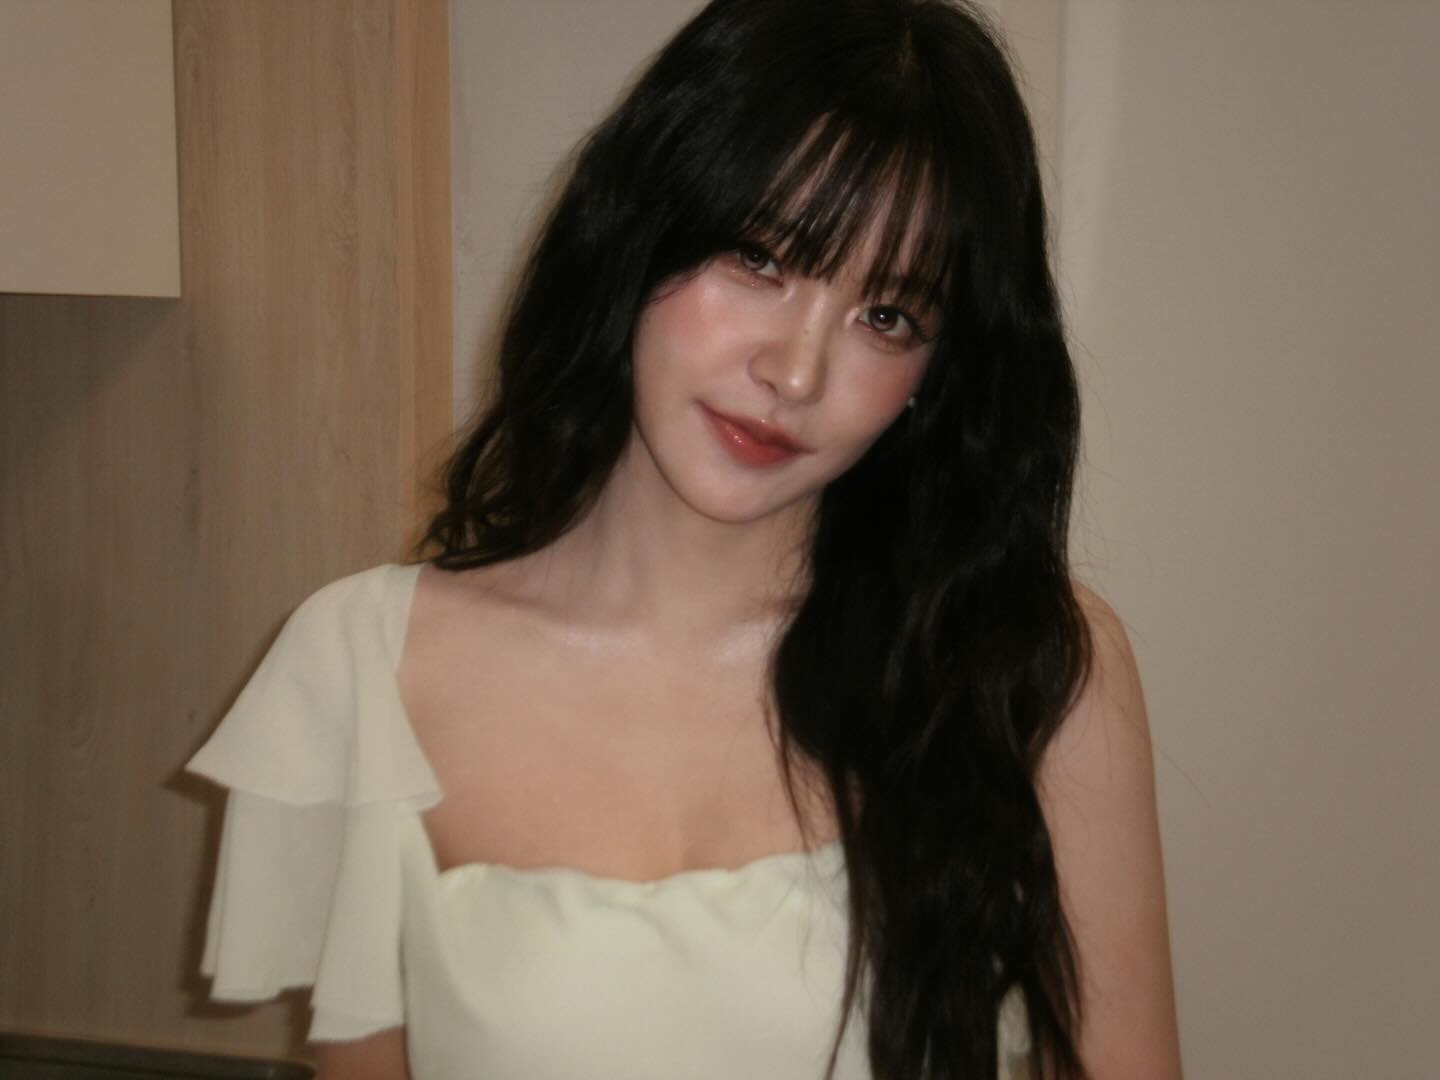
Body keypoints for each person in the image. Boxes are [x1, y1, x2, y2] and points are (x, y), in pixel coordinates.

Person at [187, 0, 1181, 1077]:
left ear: (935, 380)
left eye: (886, 317)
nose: (794, 373)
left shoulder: (1027, 666)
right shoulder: (371, 666)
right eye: (761, 257)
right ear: (638, 229)